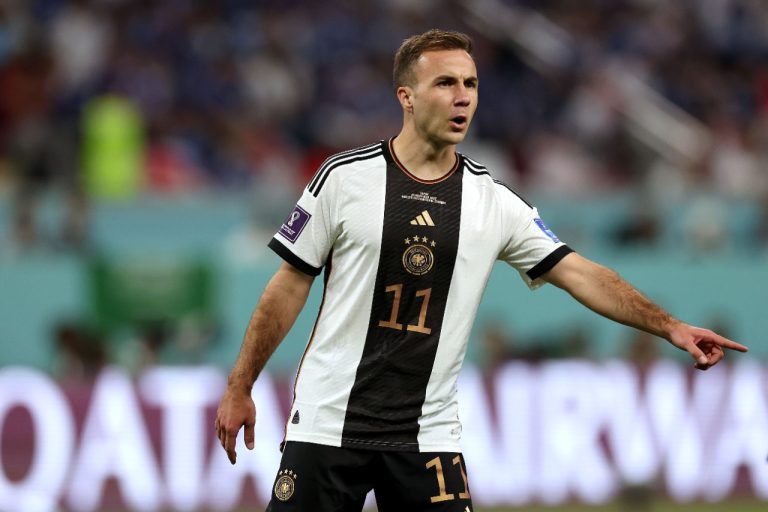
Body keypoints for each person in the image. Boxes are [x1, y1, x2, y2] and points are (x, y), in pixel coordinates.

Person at [215, 29, 748, 511]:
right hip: (328, 424)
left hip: (428, 436)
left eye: (470, 83)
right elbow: (288, 284)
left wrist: (670, 326)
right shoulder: (343, 179)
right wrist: (242, 385)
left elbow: (580, 273)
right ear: (407, 96)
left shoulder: (494, 202)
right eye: (445, 82)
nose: (463, 95)